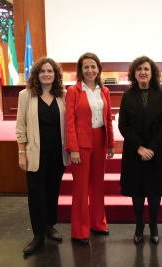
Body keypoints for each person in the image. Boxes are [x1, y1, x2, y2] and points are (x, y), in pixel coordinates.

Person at [118, 56, 162, 244]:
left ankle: (154, 225)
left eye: (146, 69)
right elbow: (123, 125)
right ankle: (139, 226)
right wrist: (140, 148)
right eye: (139, 69)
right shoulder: (128, 95)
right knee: (137, 191)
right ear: (134, 74)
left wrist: (150, 148)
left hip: (157, 150)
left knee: (154, 191)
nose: (143, 72)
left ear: (152, 73)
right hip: (135, 151)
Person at [16, 57, 70, 254]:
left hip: (58, 152)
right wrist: (21, 153)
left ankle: (49, 225)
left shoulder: (63, 95)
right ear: (36, 75)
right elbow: (20, 126)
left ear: (55, 75)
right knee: (36, 192)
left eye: (50, 71)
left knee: (52, 189)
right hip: (35, 152)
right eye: (42, 71)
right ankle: (38, 234)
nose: (46, 74)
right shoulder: (25, 95)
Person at [65, 52, 115, 245]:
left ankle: (98, 223)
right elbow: (69, 122)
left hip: (100, 139)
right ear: (80, 70)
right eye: (86, 67)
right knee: (80, 187)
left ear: (98, 69)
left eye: (93, 66)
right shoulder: (73, 91)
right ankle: (79, 230)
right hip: (81, 143)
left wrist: (110, 143)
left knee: (98, 185)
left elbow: (108, 118)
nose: (90, 70)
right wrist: (74, 148)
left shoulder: (105, 91)